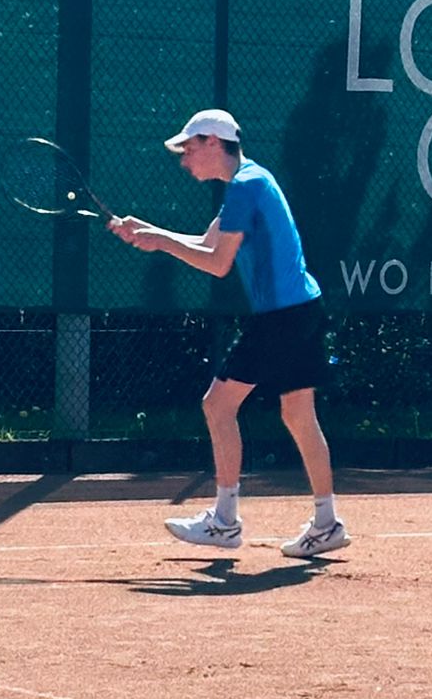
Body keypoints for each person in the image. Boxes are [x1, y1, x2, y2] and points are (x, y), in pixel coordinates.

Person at [109, 108, 349, 558]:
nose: (184, 160)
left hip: (281, 316)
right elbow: (206, 243)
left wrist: (161, 242)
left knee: (217, 406)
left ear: (213, 143)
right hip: (304, 309)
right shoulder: (251, 179)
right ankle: (327, 522)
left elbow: (218, 264)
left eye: (189, 149)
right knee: (299, 416)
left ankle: (224, 521)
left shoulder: (244, 187)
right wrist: (148, 231)